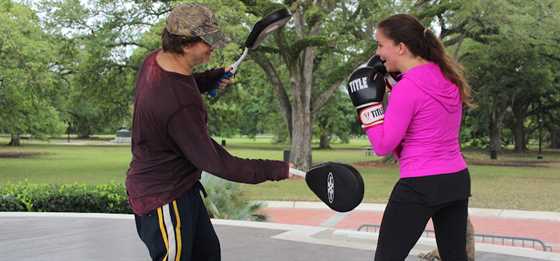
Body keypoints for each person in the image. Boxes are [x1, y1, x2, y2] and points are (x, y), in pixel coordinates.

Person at [125, 4, 292, 261]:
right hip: (162, 198)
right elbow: (219, 163)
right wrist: (278, 169)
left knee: (208, 254)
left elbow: (181, 84)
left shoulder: (156, 60)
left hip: (183, 187)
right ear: (185, 44)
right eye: (207, 41)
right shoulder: (179, 105)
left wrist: (211, 77)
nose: (213, 47)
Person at [348, 14, 473, 260]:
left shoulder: (408, 88)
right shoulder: (447, 77)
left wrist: (366, 106)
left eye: (381, 45)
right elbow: (427, 122)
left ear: (401, 47)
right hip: (456, 180)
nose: (378, 52)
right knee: (455, 257)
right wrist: (393, 85)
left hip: (421, 184)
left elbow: (384, 145)